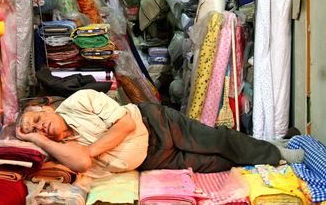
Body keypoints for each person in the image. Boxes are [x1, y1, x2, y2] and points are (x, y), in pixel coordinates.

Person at [16, 89, 304, 174]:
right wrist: (33, 138)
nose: (41, 126)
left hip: (156, 124)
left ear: (48, 107)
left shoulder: (79, 100)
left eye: (38, 118)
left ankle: (276, 151)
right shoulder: (57, 146)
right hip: (151, 160)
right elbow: (79, 163)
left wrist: (90, 151)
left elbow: (126, 124)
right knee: (215, 164)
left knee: (217, 139)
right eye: (36, 130)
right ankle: (262, 152)